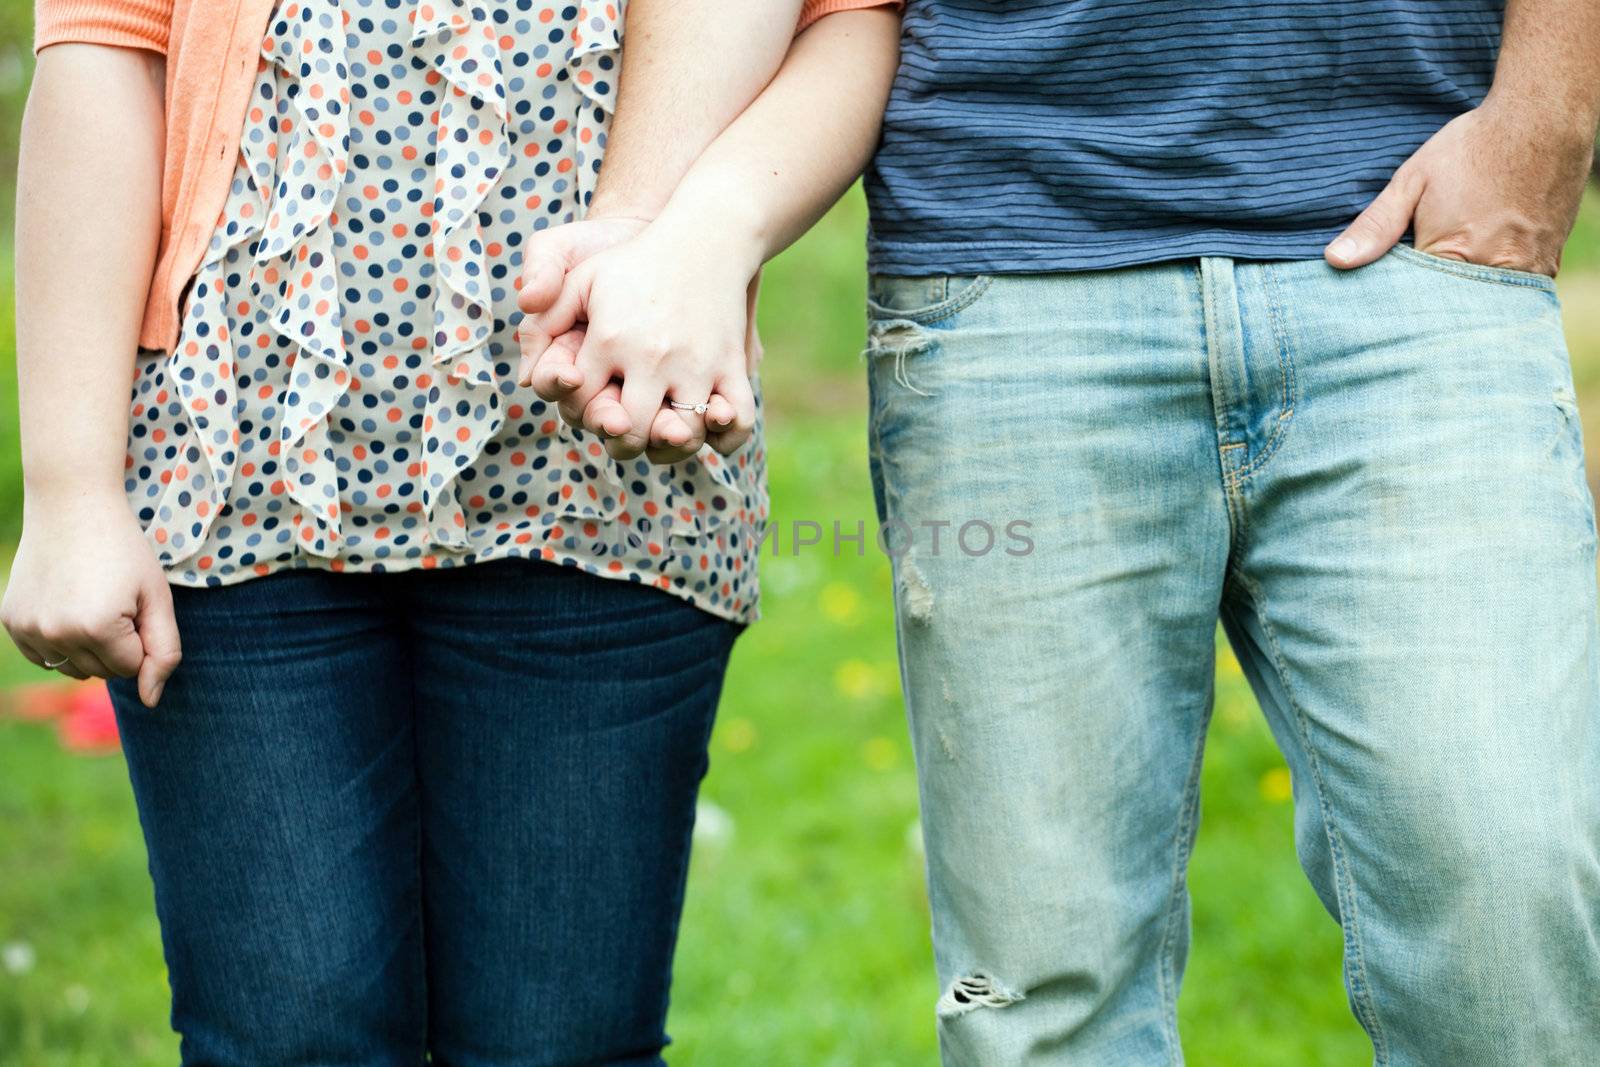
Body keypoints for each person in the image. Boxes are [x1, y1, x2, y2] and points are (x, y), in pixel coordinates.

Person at [517, 0, 1600, 1063]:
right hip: (1011, 276)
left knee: (1511, 919)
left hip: (1409, 239)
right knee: (1041, 1007)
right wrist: (666, 225)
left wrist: (1545, 117)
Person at [2, 0, 899, 1061]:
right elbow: (106, 45)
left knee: (556, 1039)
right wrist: (68, 488)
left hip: (603, 478)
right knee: (287, 1035)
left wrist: (711, 230)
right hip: (232, 477)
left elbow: (846, 20)